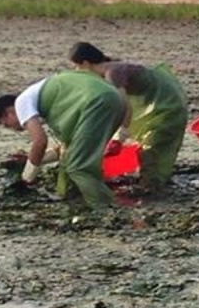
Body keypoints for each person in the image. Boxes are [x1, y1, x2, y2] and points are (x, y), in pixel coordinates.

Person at [0, 70, 128, 207]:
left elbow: (40, 141)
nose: (14, 129)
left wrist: (27, 177)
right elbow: (68, 148)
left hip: (96, 103)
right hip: (115, 100)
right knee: (74, 158)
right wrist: (33, 158)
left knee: (79, 168)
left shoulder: (21, 102)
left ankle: (105, 208)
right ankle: (82, 201)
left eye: (7, 125)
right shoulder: (50, 99)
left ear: (8, 113)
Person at [69, 41, 188, 196]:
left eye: (76, 67)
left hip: (167, 104)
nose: (76, 71)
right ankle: (156, 180)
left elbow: (125, 107)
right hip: (160, 100)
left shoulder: (112, 73)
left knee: (152, 148)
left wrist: (120, 137)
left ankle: (153, 188)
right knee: (148, 146)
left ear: (85, 63)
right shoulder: (110, 69)